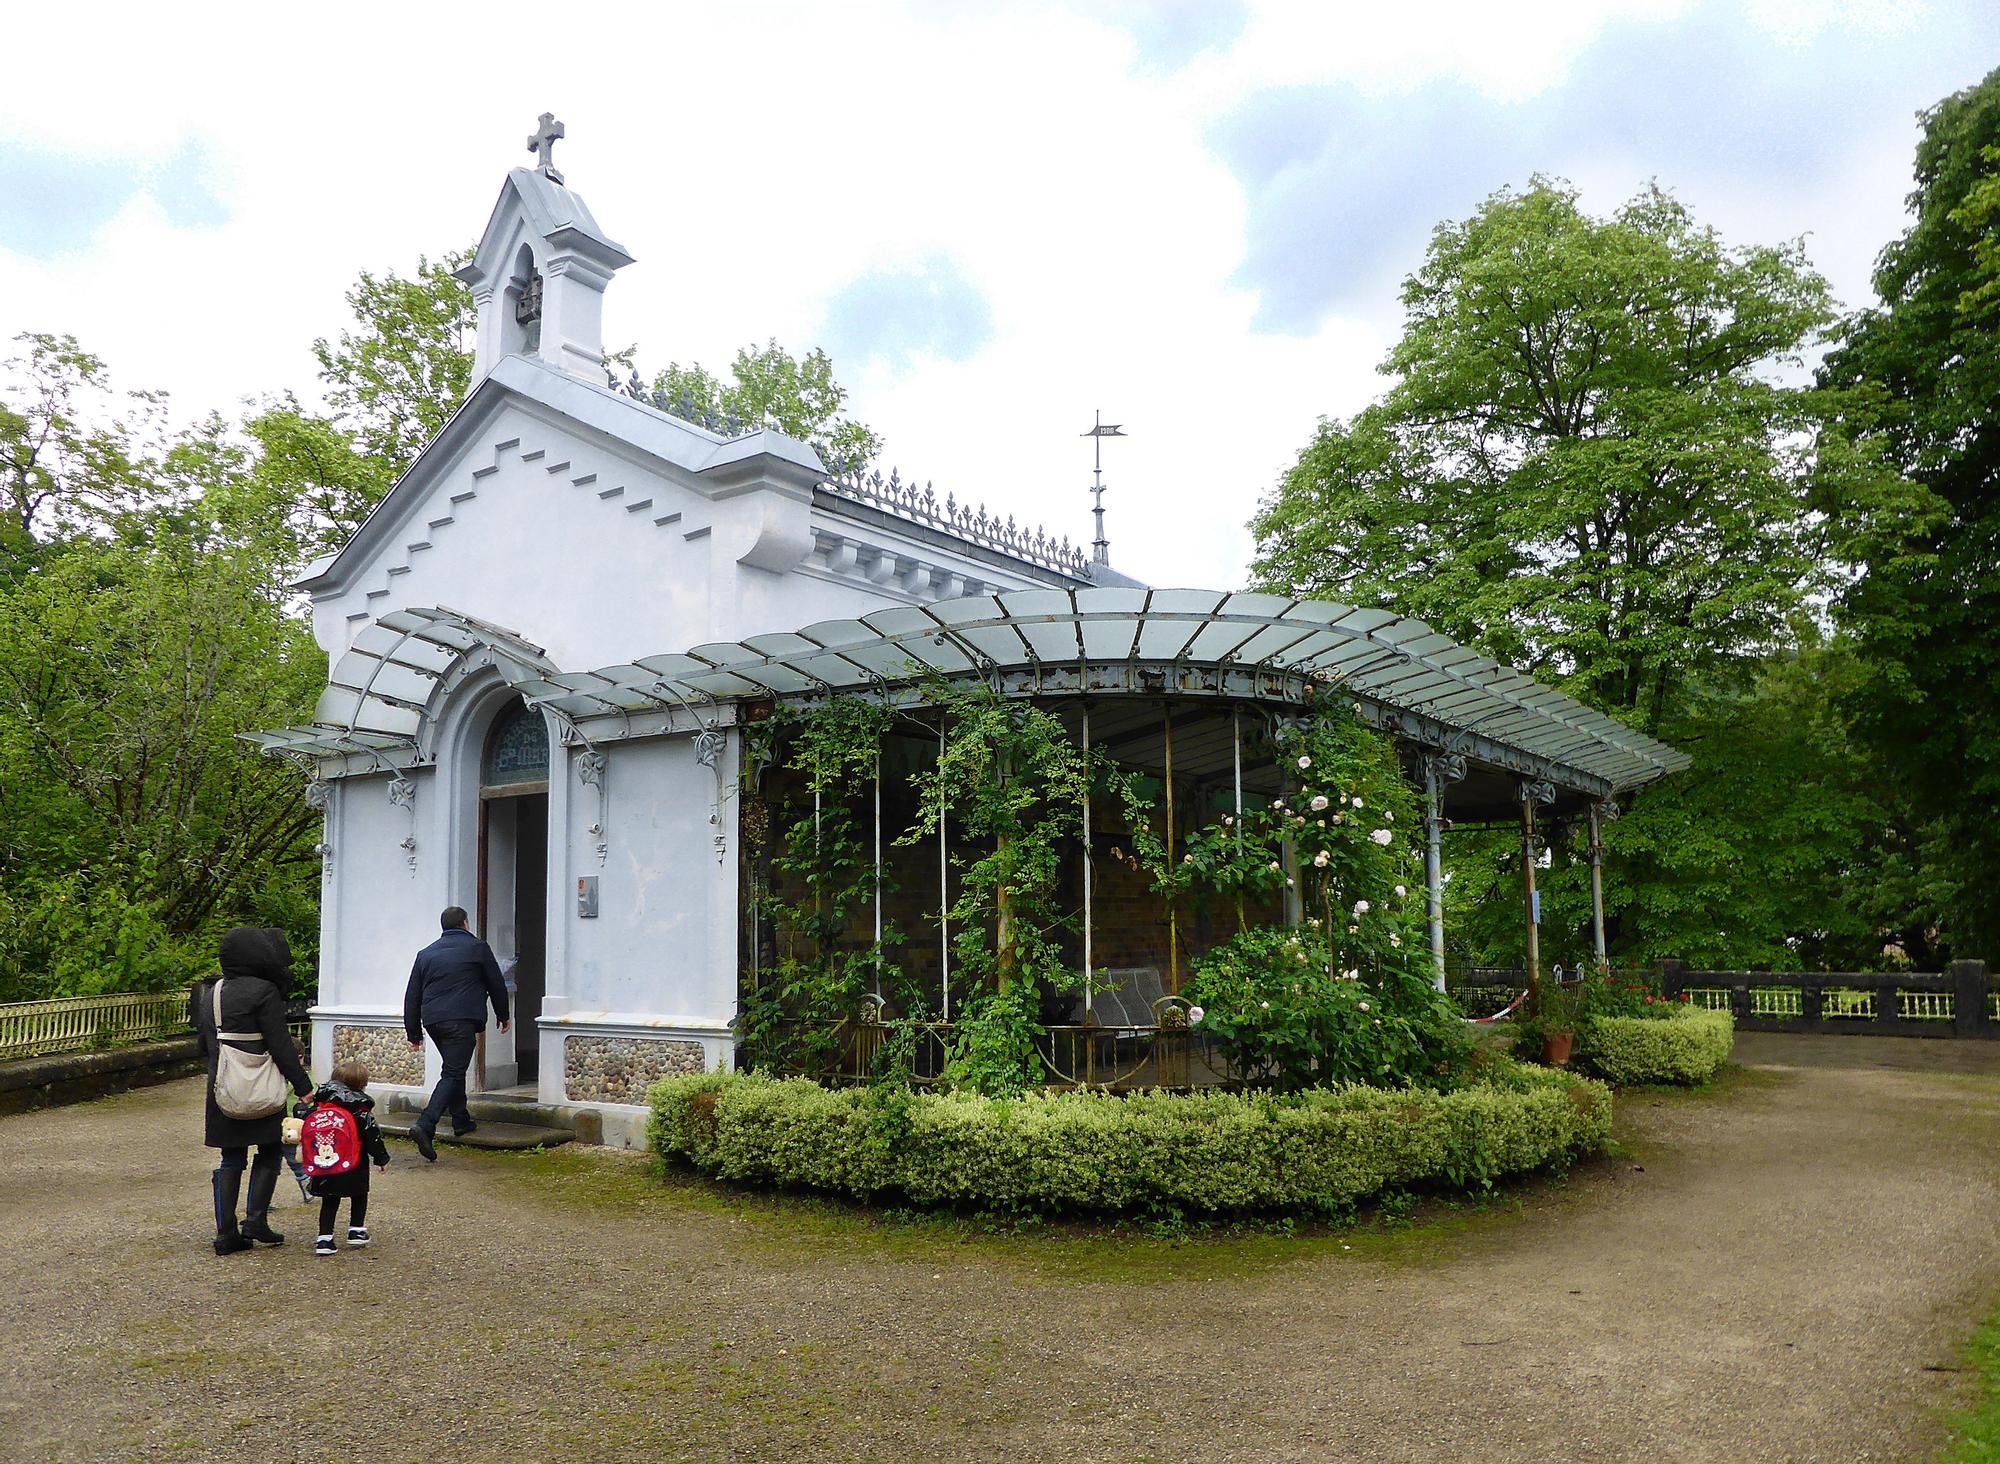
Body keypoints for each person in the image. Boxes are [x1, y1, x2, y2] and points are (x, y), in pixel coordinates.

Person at [194, 927, 316, 1255]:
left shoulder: (213, 992)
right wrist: (303, 1086)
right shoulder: (264, 991)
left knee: (231, 1156)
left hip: (224, 1086)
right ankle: (255, 1220)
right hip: (261, 1086)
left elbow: (203, 1044)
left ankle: (225, 1233)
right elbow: (281, 1045)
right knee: (270, 1150)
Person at [403, 905, 510, 1162]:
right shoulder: (478, 948)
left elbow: (412, 995)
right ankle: (425, 1124)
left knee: (454, 1068)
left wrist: (413, 1032)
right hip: (461, 1020)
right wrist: (503, 1014)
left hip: (433, 1022)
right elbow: (496, 983)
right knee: (452, 1072)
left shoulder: (425, 954)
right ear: (465, 923)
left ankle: (461, 1120)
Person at [300, 1059, 391, 1256]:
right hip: (355, 1162)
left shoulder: (321, 1106)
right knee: (359, 1195)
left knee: (329, 1200)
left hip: (326, 1163)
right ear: (361, 1085)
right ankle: (356, 1230)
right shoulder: (360, 1110)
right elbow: (372, 1136)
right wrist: (382, 1159)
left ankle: (325, 1238)